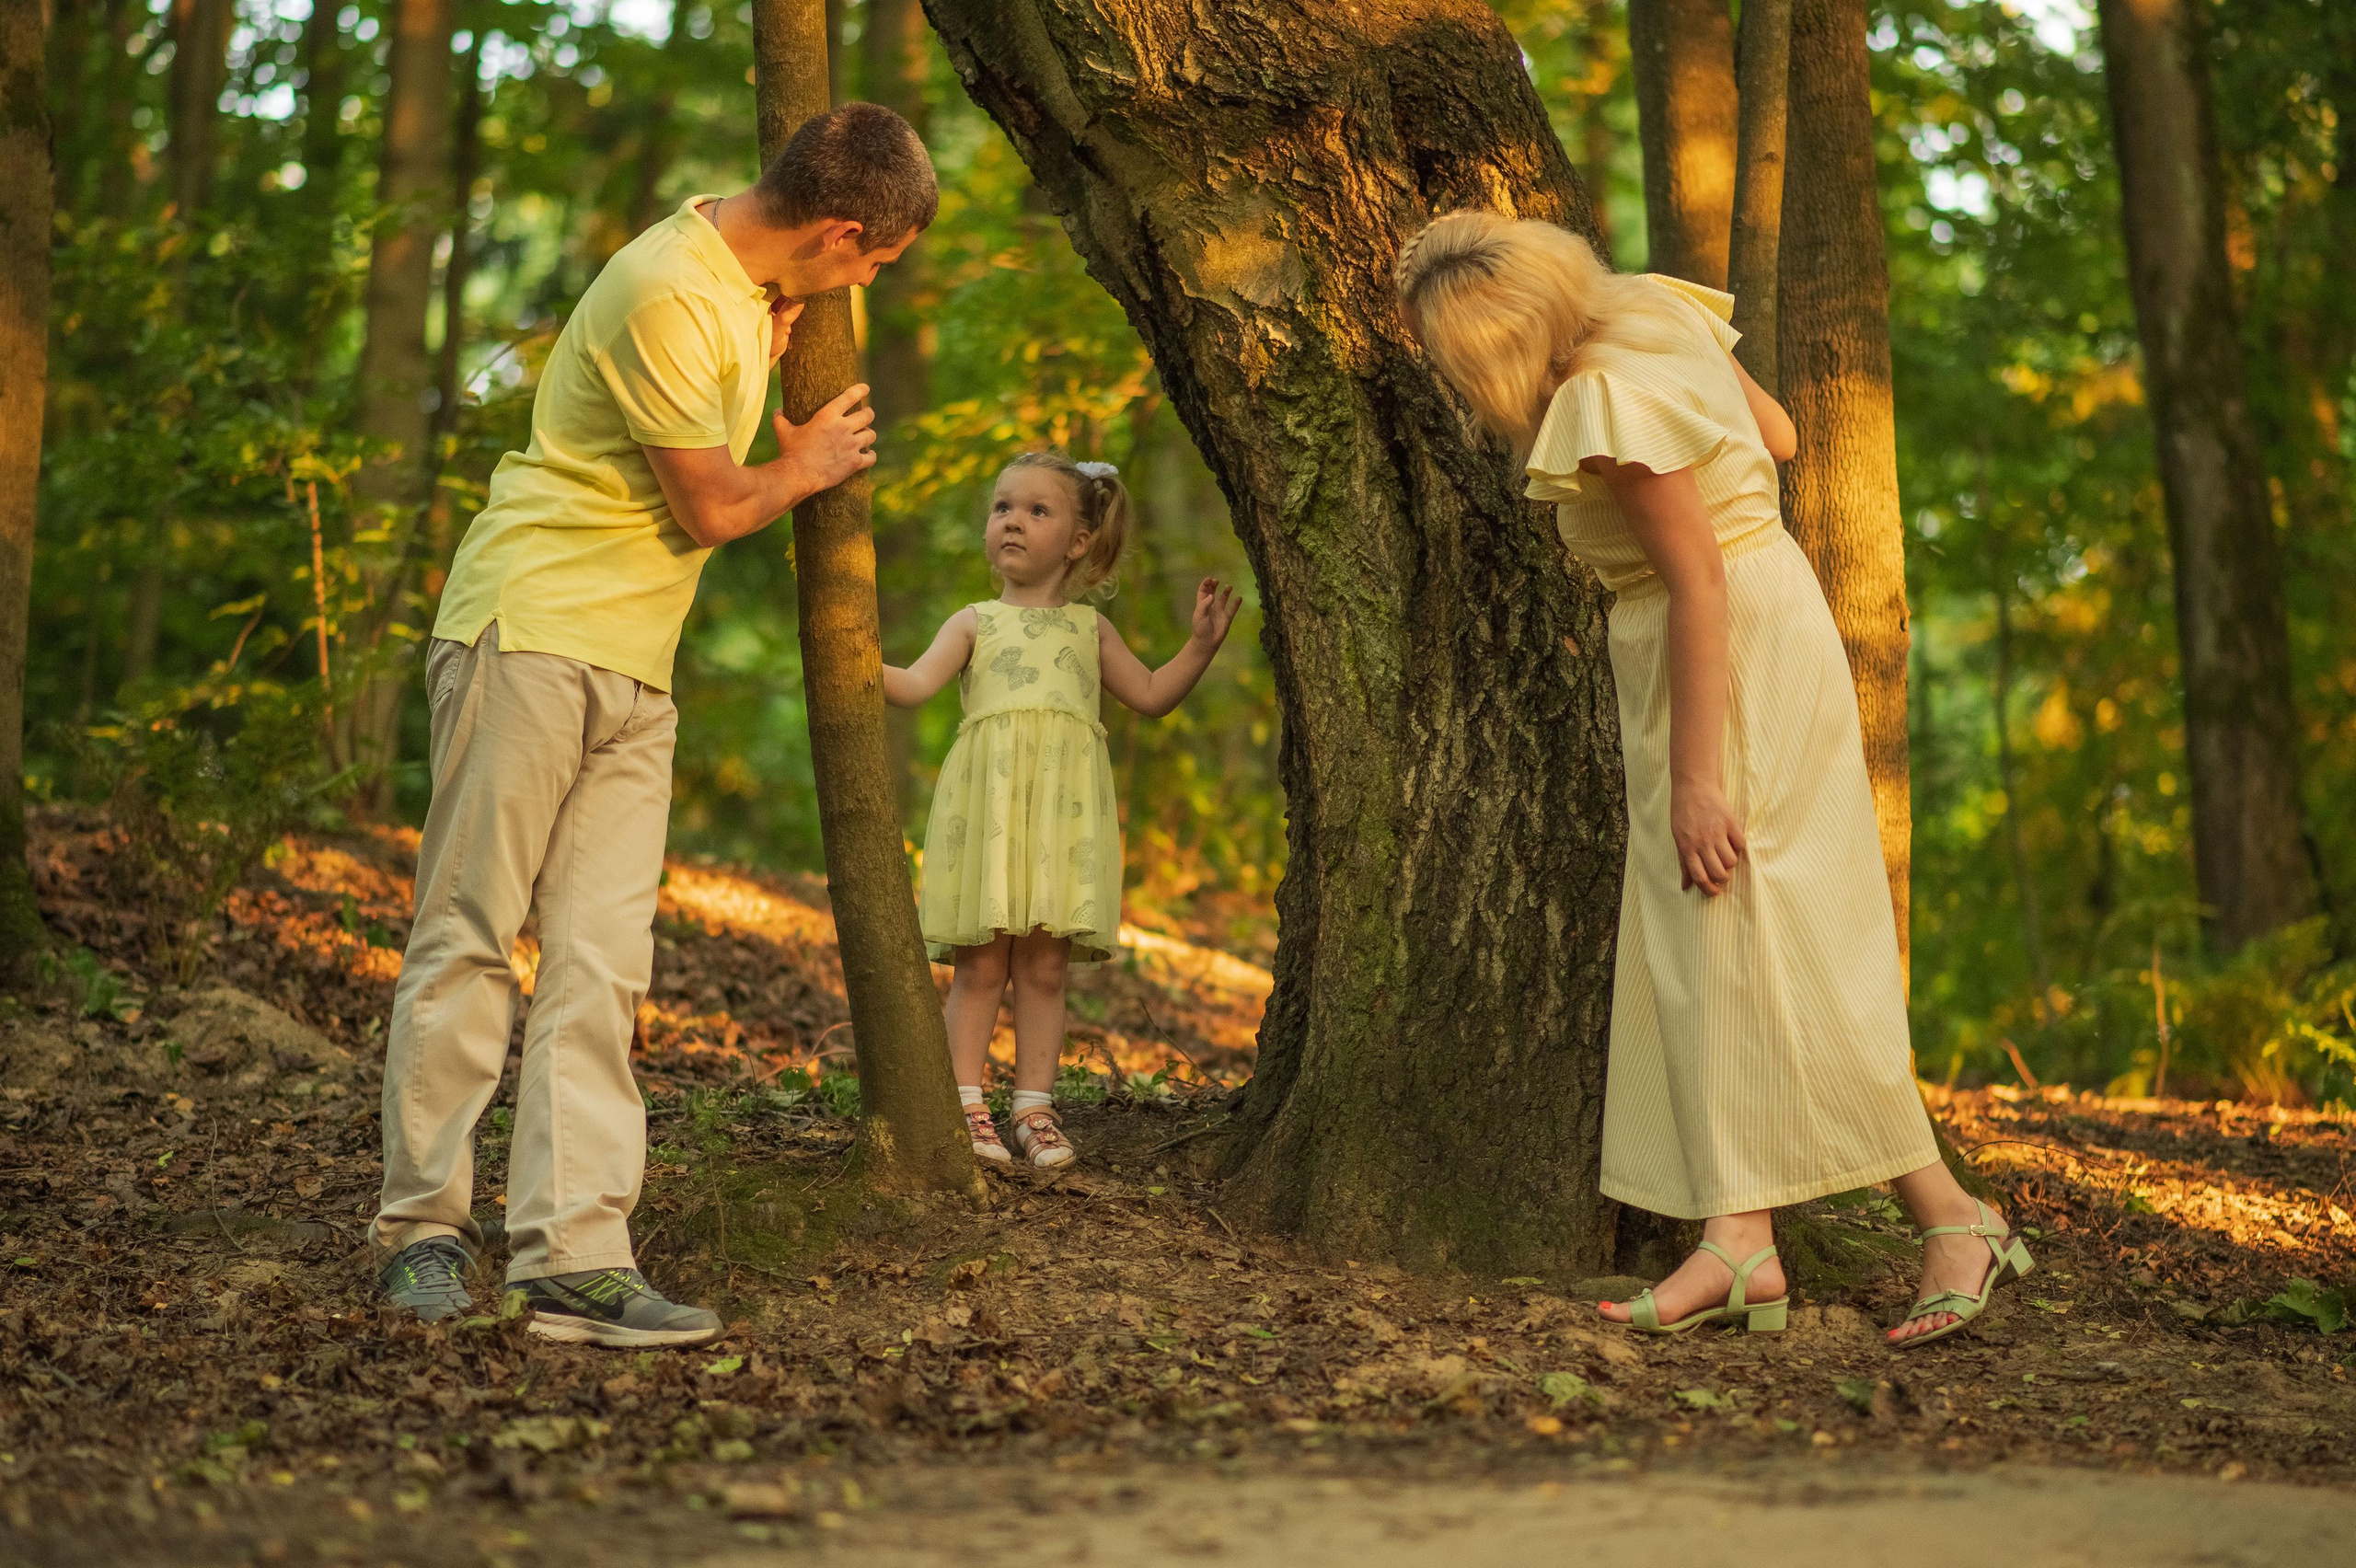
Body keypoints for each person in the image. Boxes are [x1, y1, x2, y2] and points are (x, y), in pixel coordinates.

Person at [1394, 213, 2032, 1350]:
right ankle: (1739, 1238)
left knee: (1763, 936)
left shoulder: (1598, 401)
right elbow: (1779, 438)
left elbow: (1696, 585)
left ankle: (1950, 1216)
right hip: (1767, 614)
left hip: (1719, 651)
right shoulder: (1651, 304)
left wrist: (1697, 781)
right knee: (1717, 946)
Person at [371, 104, 935, 1348]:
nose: (872, 284)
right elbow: (715, 508)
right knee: (470, 932)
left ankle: (570, 1255)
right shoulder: (667, 292)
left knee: (601, 963)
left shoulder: (744, 292)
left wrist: (781, 364)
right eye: (877, 261)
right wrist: (811, 463)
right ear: (842, 232)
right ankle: (418, 1231)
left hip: (635, 664)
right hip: (531, 630)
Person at [882, 452, 1242, 1168]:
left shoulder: (1088, 631)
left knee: (1045, 967)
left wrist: (1199, 647)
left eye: (1036, 510)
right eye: (1002, 507)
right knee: (982, 966)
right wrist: (845, 651)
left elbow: (1150, 695)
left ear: (1079, 540)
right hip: (990, 814)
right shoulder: (974, 623)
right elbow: (914, 685)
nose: (1012, 520)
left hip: (1061, 820)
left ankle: (1035, 1109)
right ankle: (965, 1106)